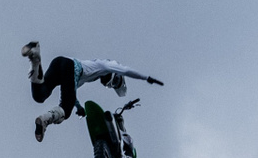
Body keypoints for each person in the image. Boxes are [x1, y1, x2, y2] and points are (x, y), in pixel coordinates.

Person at [21, 41, 162, 141]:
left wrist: (79, 107)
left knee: (40, 95)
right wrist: (146, 77)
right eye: (114, 81)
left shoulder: (89, 75)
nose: (108, 84)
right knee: (66, 110)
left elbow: (71, 92)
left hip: (59, 63)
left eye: (110, 85)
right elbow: (125, 70)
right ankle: (45, 120)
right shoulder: (105, 65)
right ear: (115, 74)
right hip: (70, 66)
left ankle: (35, 59)